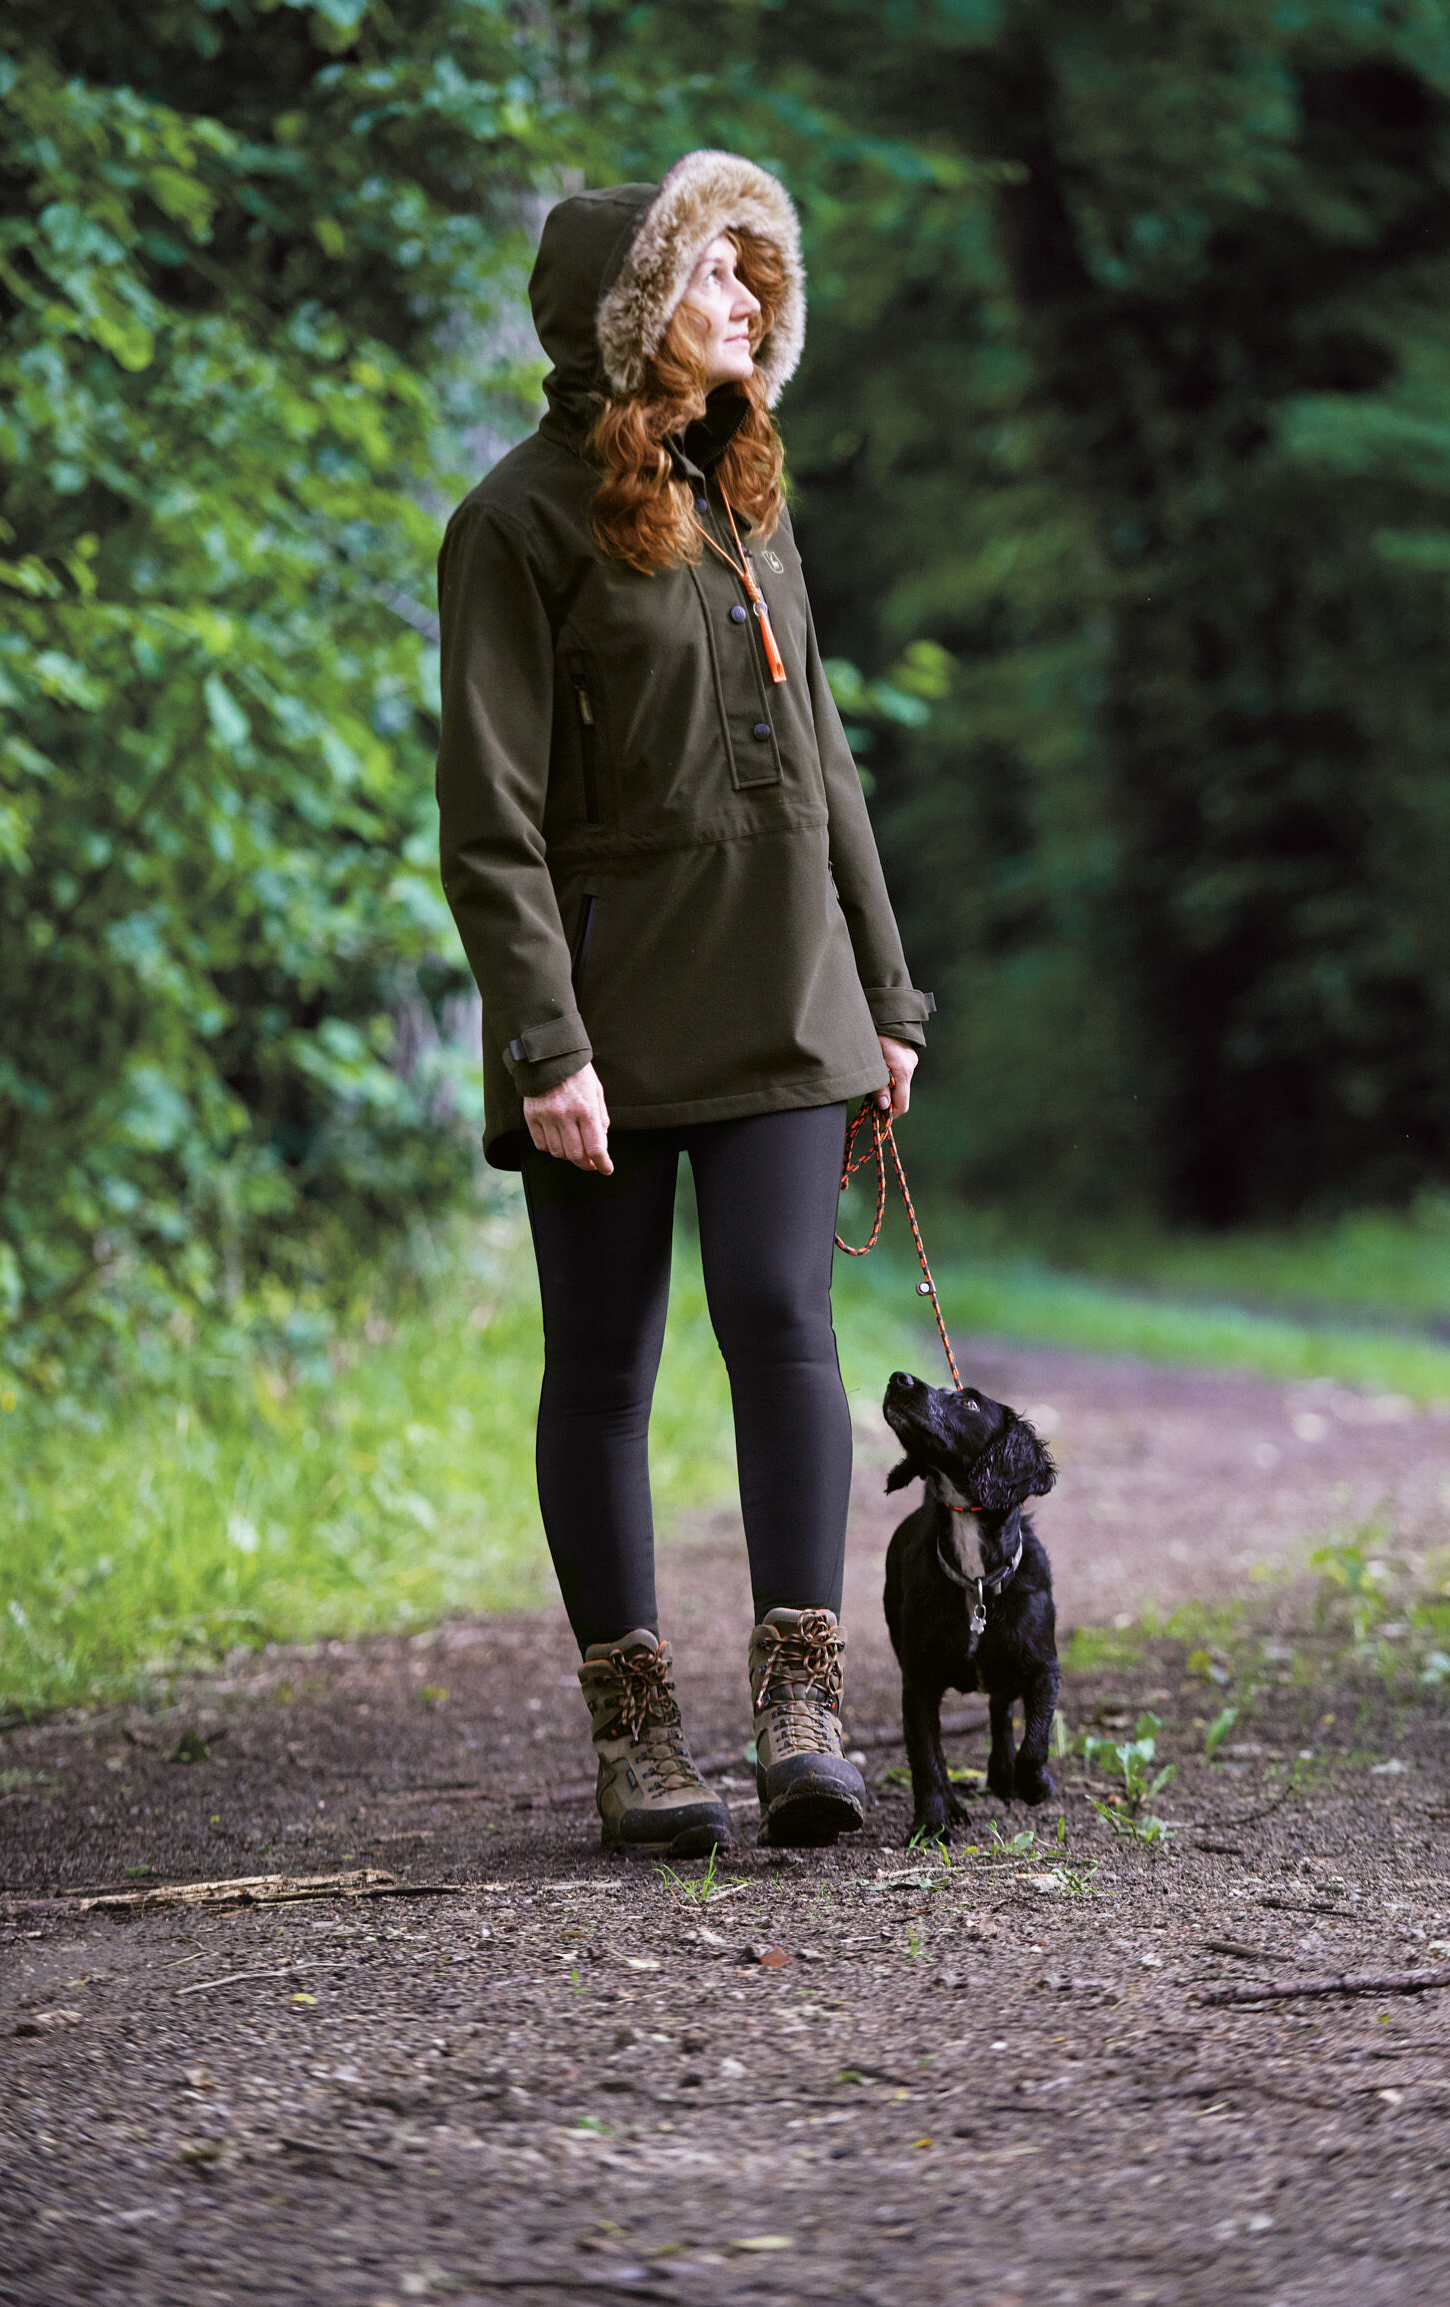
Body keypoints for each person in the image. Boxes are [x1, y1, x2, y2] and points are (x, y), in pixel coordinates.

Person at [435, 150, 933, 1853]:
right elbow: (487, 821)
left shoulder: (749, 497)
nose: (748, 297)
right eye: (711, 273)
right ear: (629, 310)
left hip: (787, 989)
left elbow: (828, 765)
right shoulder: (513, 524)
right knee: (604, 1366)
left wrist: (886, 991)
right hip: (604, 1019)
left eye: (748, 270)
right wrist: (544, 1041)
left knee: (785, 1320)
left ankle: (803, 1708)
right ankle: (637, 1736)